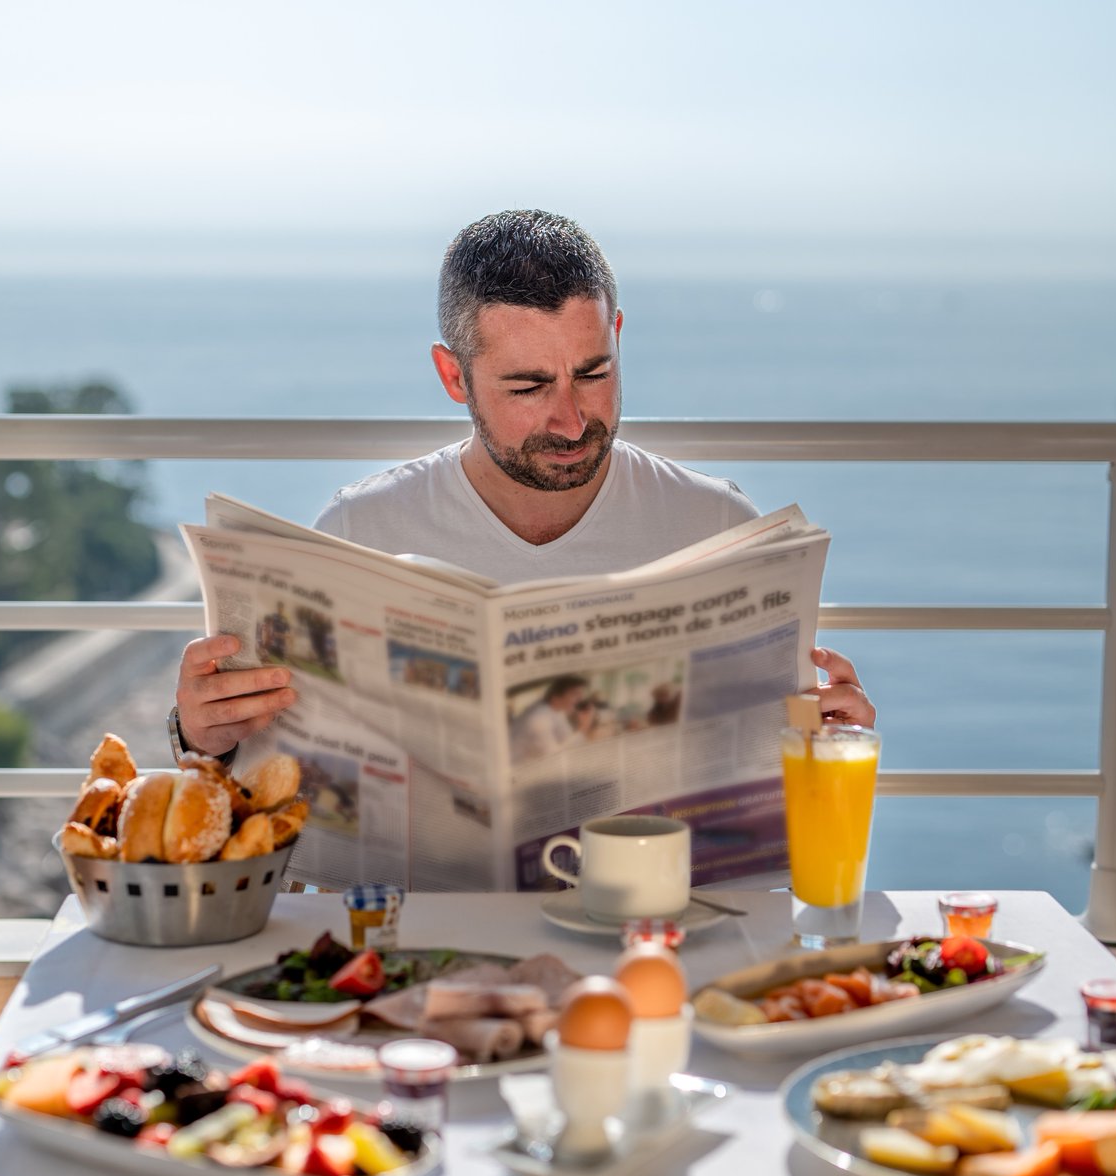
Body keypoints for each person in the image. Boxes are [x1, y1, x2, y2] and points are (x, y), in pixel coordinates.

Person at [172, 209, 875, 760]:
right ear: (454, 378)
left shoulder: (717, 527)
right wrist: (203, 737)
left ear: (619, 338)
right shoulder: (363, 533)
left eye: (593, 373)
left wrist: (833, 744)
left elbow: (779, 797)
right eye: (529, 386)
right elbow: (273, 786)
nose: (571, 422)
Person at [509, 675, 595, 763]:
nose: (580, 699)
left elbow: (567, 739)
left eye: (581, 694)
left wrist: (582, 726)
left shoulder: (557, 711)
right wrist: (583, 728)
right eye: (575, 694)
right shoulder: (539, 719)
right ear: (556, 697)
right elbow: (553, 759)